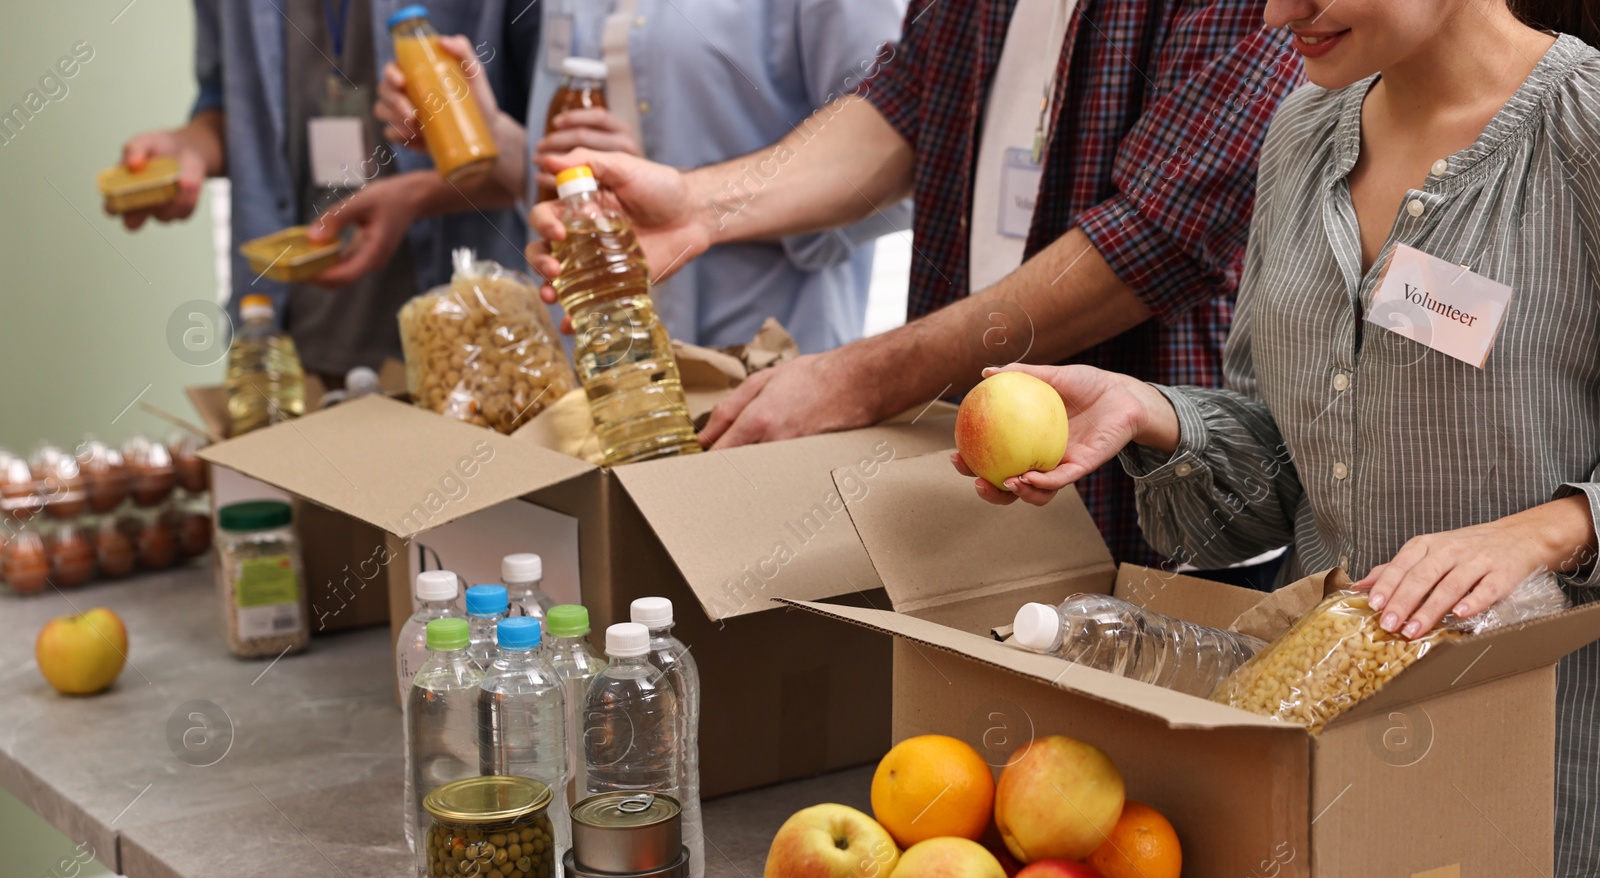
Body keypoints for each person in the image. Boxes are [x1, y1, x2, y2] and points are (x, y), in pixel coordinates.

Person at [956, 0, 1600, 878]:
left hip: (1541, 835)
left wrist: (1547, 527)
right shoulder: (1301, 132)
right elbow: (1284, 463)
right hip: (1322, 802)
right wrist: (1154, 417)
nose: (1271, 11)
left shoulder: (1583, 135)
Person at [526, 0, 1304, 576]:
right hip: (965, 468)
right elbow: (902, 103)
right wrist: (702, 205)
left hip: (1148, 505)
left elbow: (1150, 238)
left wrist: (863, 376)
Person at [350, 0, 910, 352]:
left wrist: (690, 192)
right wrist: (490, 133)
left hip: (762, 363)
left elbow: (902, 161)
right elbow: (563, 175)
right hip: (601, 366)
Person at [116, 0, 534, 381]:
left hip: (473, 353)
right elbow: (229, 104)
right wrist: (190, 149)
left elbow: (553, 156)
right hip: (295, 346)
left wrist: (418, 195)